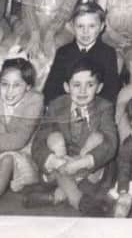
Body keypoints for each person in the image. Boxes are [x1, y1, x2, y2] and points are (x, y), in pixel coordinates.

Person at [28, 59, 118, 214]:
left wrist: (81, 162)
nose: (82, 91)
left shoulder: (105, 107)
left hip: (90, 170)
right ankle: (78, 200)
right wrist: (56, 161)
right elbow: (39, 142)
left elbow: (111, 143)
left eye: (90, 85)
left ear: (99, 87)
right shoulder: (56, 105)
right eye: (76, 85)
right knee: (53, 137)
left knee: (99, 137)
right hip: (61, 163)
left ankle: (56, 196)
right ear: (66, 87)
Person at [43, 2, 120, 106]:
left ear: (101, 27)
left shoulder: (108, 53)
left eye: (91, 26)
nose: (85, 32)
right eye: (80, 26)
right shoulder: (63, 52)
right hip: (67, 108)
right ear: (72, 26)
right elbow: (52, 88)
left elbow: (110, 91)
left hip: (94, 110)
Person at [0, 54, 44, 197]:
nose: (9, 91)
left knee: (7, 160)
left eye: (16, 85)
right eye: (4, 84)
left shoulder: (35, 100)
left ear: (28, 87)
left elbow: (19, 140)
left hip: (23, 152)